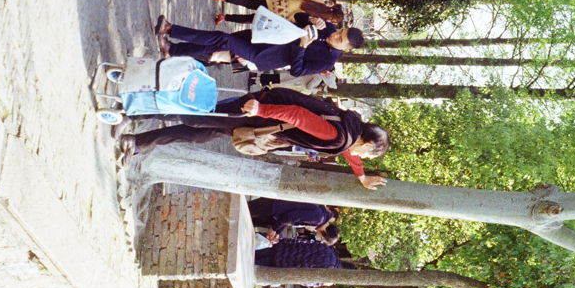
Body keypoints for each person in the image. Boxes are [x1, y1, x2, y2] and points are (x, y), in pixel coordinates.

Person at [122, 89, 389, 190]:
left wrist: (361, 175)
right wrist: (261, 110)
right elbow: (297, 116)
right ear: (367, 144)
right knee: (195, 117)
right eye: (367, 154)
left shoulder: (351, 127)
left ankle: (136, 142)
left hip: (262, 117)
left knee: (197, 134)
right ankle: (130, 109)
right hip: (260, 114)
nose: (362, 157)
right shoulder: (339, 136)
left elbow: (349, 152)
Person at [154, 17, 364, 80]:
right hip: (268, 36)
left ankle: (171, 29)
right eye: (340, 31)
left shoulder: (328, 61)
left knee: (223, 40)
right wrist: (312, 19)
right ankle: (172, 50)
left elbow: (297, 70)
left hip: (266, 55)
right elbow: (298, 17)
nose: (335, 35)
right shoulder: (328, 27)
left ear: (345, 49)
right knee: (218, 45)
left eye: (340, 39)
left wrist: (302, 47)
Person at [248, 198, 339, 240]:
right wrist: (274, 229)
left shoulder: (320, 216)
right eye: (322, 238)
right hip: (276, 207)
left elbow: (291, 219)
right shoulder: (318, 218)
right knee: (246, 209)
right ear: (325, 234)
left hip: (277, 208)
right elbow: (290, 217)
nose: (319, 236)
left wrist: (278, 232)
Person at [254, 241, 343, 272]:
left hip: (283, 248)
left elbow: (304, 242)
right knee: (251, 263)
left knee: (253, 251)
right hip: (283, 263)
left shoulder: (326, 248)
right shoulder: (326, 268)